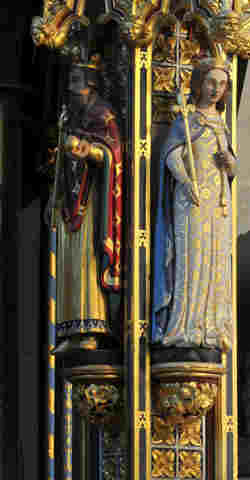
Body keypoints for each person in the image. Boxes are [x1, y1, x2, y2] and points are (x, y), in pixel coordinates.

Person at [152, 57, 236, 351]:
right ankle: (188, 323)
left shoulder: (222, 125)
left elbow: (231, 166)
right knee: (193, 259)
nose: (216, 89)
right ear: (199, 84)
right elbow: (171, 156)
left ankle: (212, 325)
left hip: (218, 203)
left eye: (222, 84)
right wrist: (187, 182)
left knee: (215, 259)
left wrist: (231, 164)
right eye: (211, 82)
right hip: (192, 200)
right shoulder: (185, 123)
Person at [48, 55, 124, 353]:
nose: (70, 88)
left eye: (75, 82)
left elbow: (114, 151)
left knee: (87, 261)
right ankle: (71, 327)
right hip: (70, 199)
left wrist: (89, 150)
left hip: (92, 201)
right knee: (69, 261)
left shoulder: (104, 115)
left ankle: (92, 325)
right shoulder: (71, 117)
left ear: (91, 84)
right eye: (69, 82)